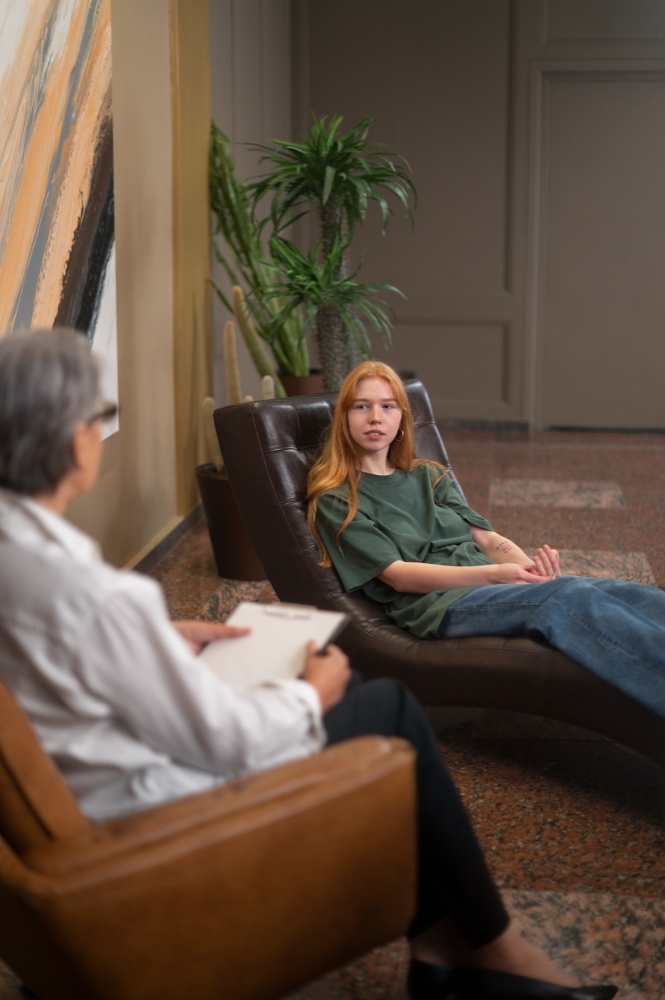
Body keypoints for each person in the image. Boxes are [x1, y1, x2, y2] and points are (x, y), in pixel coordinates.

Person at [0, 330, 615, 1000]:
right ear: (74, 440)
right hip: (150, 801)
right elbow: (224, 740)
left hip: (81, 765)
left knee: (378, 694)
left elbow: (61, 645)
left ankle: (438, 946)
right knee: (384, 706)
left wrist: (158, 634)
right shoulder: (103, 596)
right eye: (100, 417)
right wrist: (311, 693)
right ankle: (497, 950)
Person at [308, 360, 665, 721]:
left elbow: (487, 539)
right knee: (569, 599)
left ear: (401, 418)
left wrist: (528, 569)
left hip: (488, 585)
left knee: (634, 595)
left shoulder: (428, 475)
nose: (375, 417)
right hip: (441, 605)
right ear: (344, 418)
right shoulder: (338, 500)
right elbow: (398, 576)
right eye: (362, 406)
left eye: (387, 406)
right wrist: (494, 575)